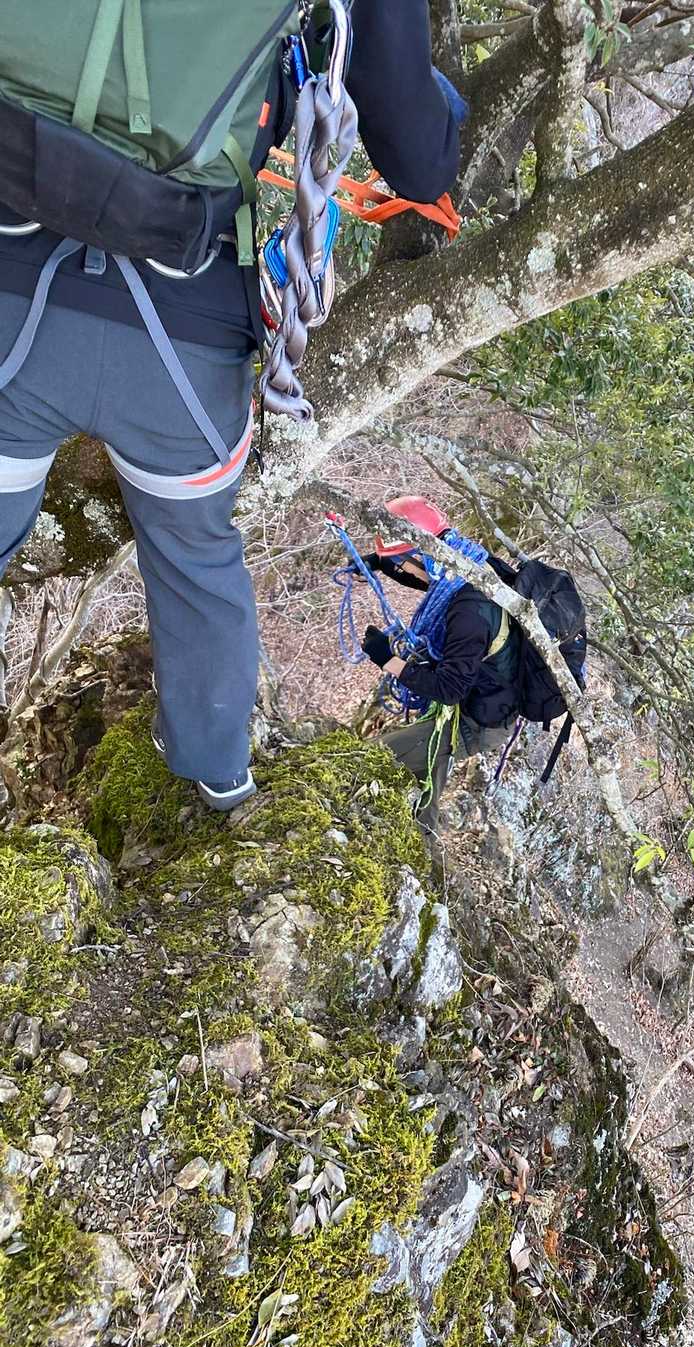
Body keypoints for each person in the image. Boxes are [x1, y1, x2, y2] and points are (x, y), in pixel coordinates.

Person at [0, 1, 462, 810]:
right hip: (182, 325)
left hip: (9, 276)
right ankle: (217, 770)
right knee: (196, 561)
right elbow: (420, 159)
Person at [358, 496, 522, 832]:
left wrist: (387, 660)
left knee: (365, 762)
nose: (401, 571)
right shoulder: (471, 564)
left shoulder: (468, 614)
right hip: (485, 702)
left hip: (475, 720)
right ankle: (425, 840)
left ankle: (422, 840)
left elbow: (449, 689)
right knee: (424, 780)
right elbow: (425, 576)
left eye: (401, 563)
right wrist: (379, 562)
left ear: (422, 555)